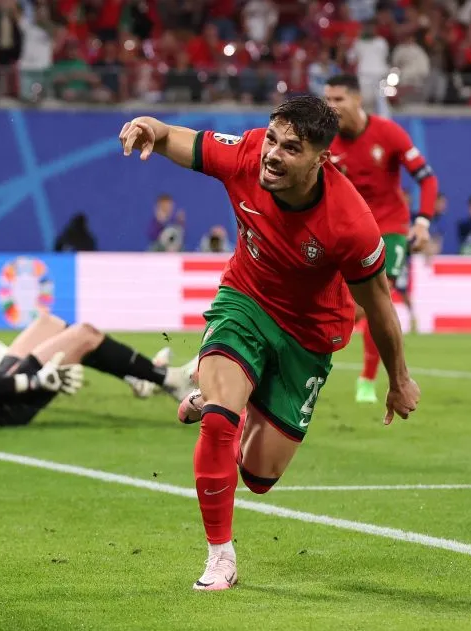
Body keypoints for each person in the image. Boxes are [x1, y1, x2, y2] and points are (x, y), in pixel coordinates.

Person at [118, 95, 420, 591]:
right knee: (220, 421)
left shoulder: (349, 222)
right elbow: (178, 138)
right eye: (273, 138)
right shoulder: (246, 153)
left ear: (322, 160)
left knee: (258, 477)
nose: (274, 154)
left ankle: (231, 393)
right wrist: (150, 126)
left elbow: (381, 307)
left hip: (310, 335)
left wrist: (399, 379)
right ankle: (220, 557)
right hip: (245, 302)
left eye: (292, 148)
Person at [0, 285, 198, 428]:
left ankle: (138, 378)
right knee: (84, 334)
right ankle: (168, 380)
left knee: (48, 322)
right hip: (1, 404)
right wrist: (32, 381)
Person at [324, 74, 439, 403]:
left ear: (358, 100)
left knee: (378, 298)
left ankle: (368, 379)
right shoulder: (325, 142)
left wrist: (422, 222)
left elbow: (426, 179)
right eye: (327, 100)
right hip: (347, 233)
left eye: (338, 100)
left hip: (389, 229)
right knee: (348, 307)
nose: (331, 107)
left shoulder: (387, 133)